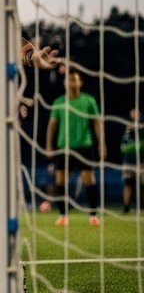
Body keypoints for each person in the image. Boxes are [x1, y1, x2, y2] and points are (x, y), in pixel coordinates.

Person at [45, 70, 105, 226]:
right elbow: (52, 125)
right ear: (65, 83)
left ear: (80, 83)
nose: (71, 82)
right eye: (69, 80)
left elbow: (97, 122)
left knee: (89, 180)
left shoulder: (88, 100)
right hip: (63, 147)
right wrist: (49, 144)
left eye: (74, 80)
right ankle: (63, 215)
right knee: (60, 180)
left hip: (84, 146)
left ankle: (93, 215)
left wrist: (102, 143)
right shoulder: (59, 101)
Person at [123, 108, 141, 213]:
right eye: (132, 112)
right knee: (128, 184)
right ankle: (126, 207)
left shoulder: (142, 127)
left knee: (140, 185)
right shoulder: (128, 128)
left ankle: (140, 206)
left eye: (136, 112)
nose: (134, 114)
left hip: (141, 161)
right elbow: (123, 146)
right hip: (129, 161)